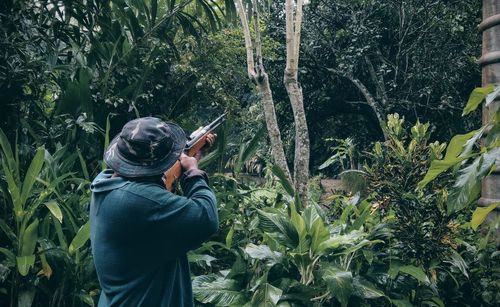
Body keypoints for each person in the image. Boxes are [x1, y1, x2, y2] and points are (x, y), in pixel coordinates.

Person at [89, 117, 218, 307]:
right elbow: (207, 217)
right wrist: (192, 172)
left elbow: (151, 189)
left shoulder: (105, 182)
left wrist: (182, 159)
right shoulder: (137, 201)